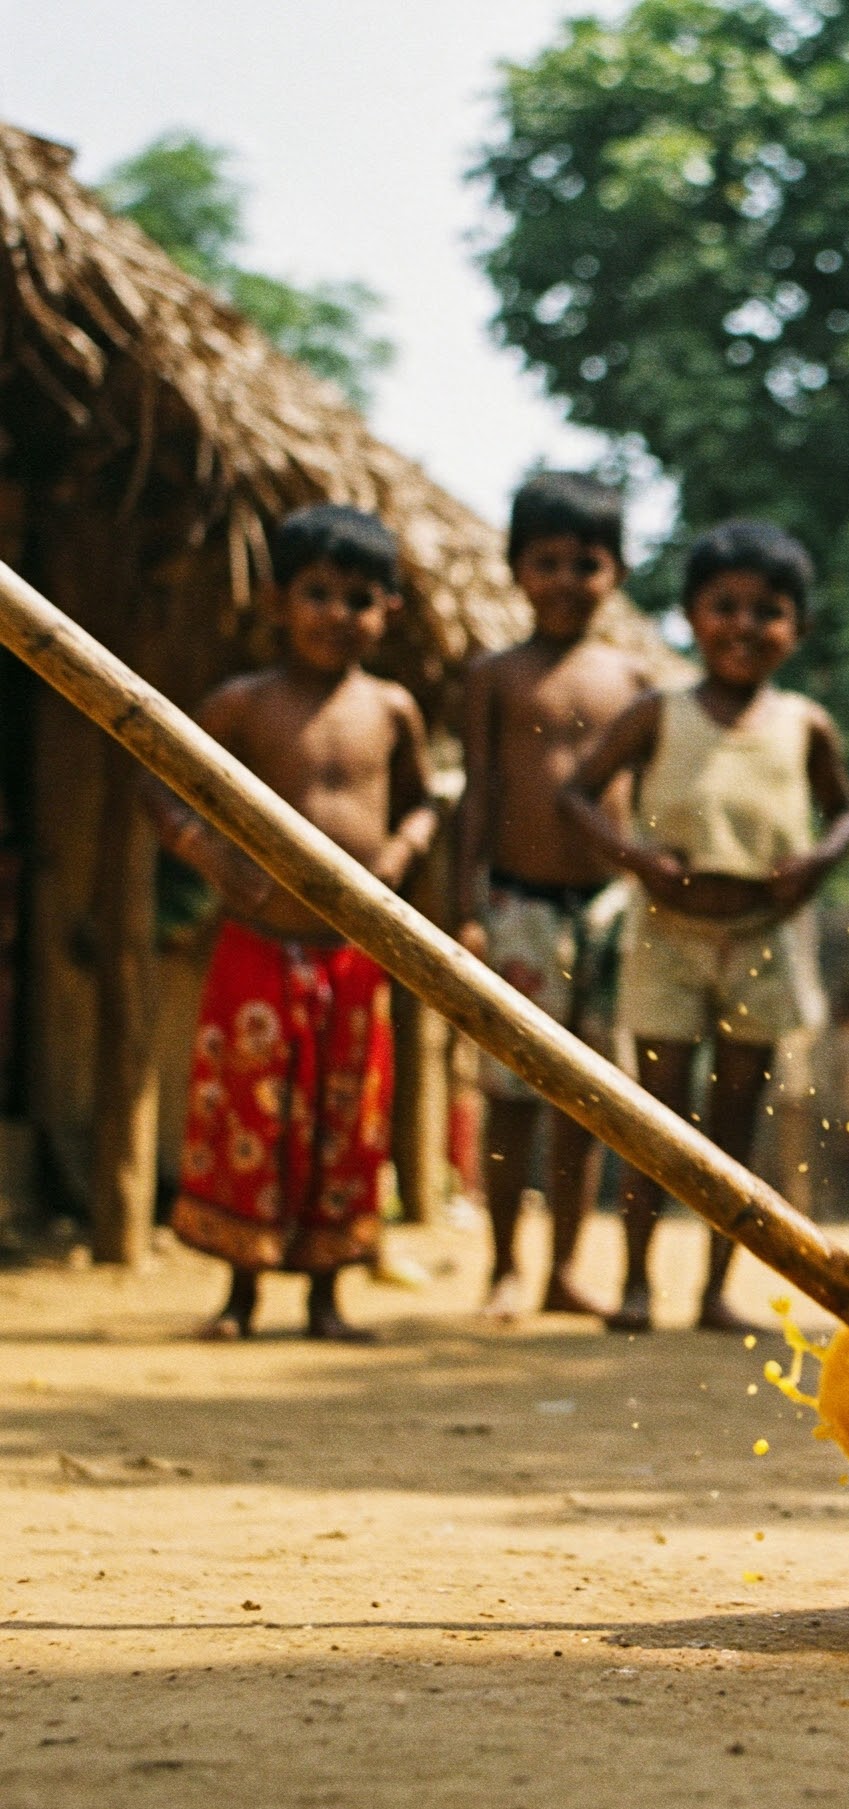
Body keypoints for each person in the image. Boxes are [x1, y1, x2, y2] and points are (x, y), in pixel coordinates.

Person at [560, 519, 849, 1333]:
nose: (745, 626)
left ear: (794, 629)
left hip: (763, 936)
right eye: (724, 606)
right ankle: (632, 1284)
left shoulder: (804, 723)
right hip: (667, 934)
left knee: (734, 1123)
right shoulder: (658, 713)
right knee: (656, 1118)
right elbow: (577, 794)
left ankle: (716, 1291)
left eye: (768, 611)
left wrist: (816, 863)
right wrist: (634, 859)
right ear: (692, 615)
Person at [148, 504, 438, 1341]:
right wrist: (209, 857)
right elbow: (157, 784)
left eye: (359, 598)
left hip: (350, 953)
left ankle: (326, 1300)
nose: (337, 615)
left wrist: (400, 855)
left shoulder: (392, 710)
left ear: (388, 613)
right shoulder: (242, 706)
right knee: (251, 1112)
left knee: (347, 1120)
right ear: (277, 602)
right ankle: (241, 1296)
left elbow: (423, 805)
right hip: (258, 947)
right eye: (318, 593)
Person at [455, 472, 647, 1321]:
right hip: (518, 903)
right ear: (515, 569)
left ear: (618, 571)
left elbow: (643, 800)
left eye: (587, 563)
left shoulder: (634, 679)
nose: (567, 581)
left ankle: (565, 1268)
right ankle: (503, 1265)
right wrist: (466, 904)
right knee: (511, 1101)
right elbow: (478, 793)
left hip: (607, 908)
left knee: (589, 1104)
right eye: (547, 563)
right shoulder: (494, 677)